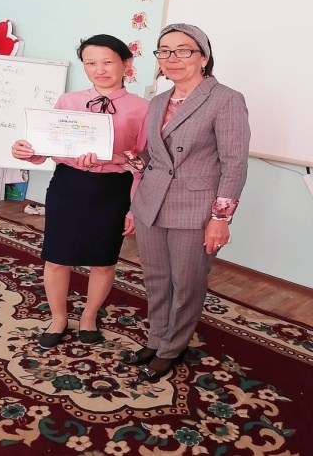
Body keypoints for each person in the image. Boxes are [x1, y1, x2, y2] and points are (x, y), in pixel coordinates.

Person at [126, 23, 251, 382]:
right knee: (156, 279)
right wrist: (128, 160)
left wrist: (220, 218)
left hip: (195, 209)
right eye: (164, 51)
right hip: (151, 204)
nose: (172, 58)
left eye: (183, 50)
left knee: (187, 283)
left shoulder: (226, 99)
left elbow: (234, 163)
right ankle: (156, 338)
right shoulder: (157, 101)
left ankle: (172, 347)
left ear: (204, 57)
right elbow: (155, 157)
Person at [11, 34, 148, 349]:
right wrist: (26, 151)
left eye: (107, 62)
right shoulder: (68, 101)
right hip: (68, 185)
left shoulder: (144, 108)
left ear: (126, 64)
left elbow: (146, 160)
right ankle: (58, 318)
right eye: (90, 63)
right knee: (57, 257)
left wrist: (134, 207)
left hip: (113, 190)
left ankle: (88, 316)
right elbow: (47, 147)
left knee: (103, 260)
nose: (99, 69)